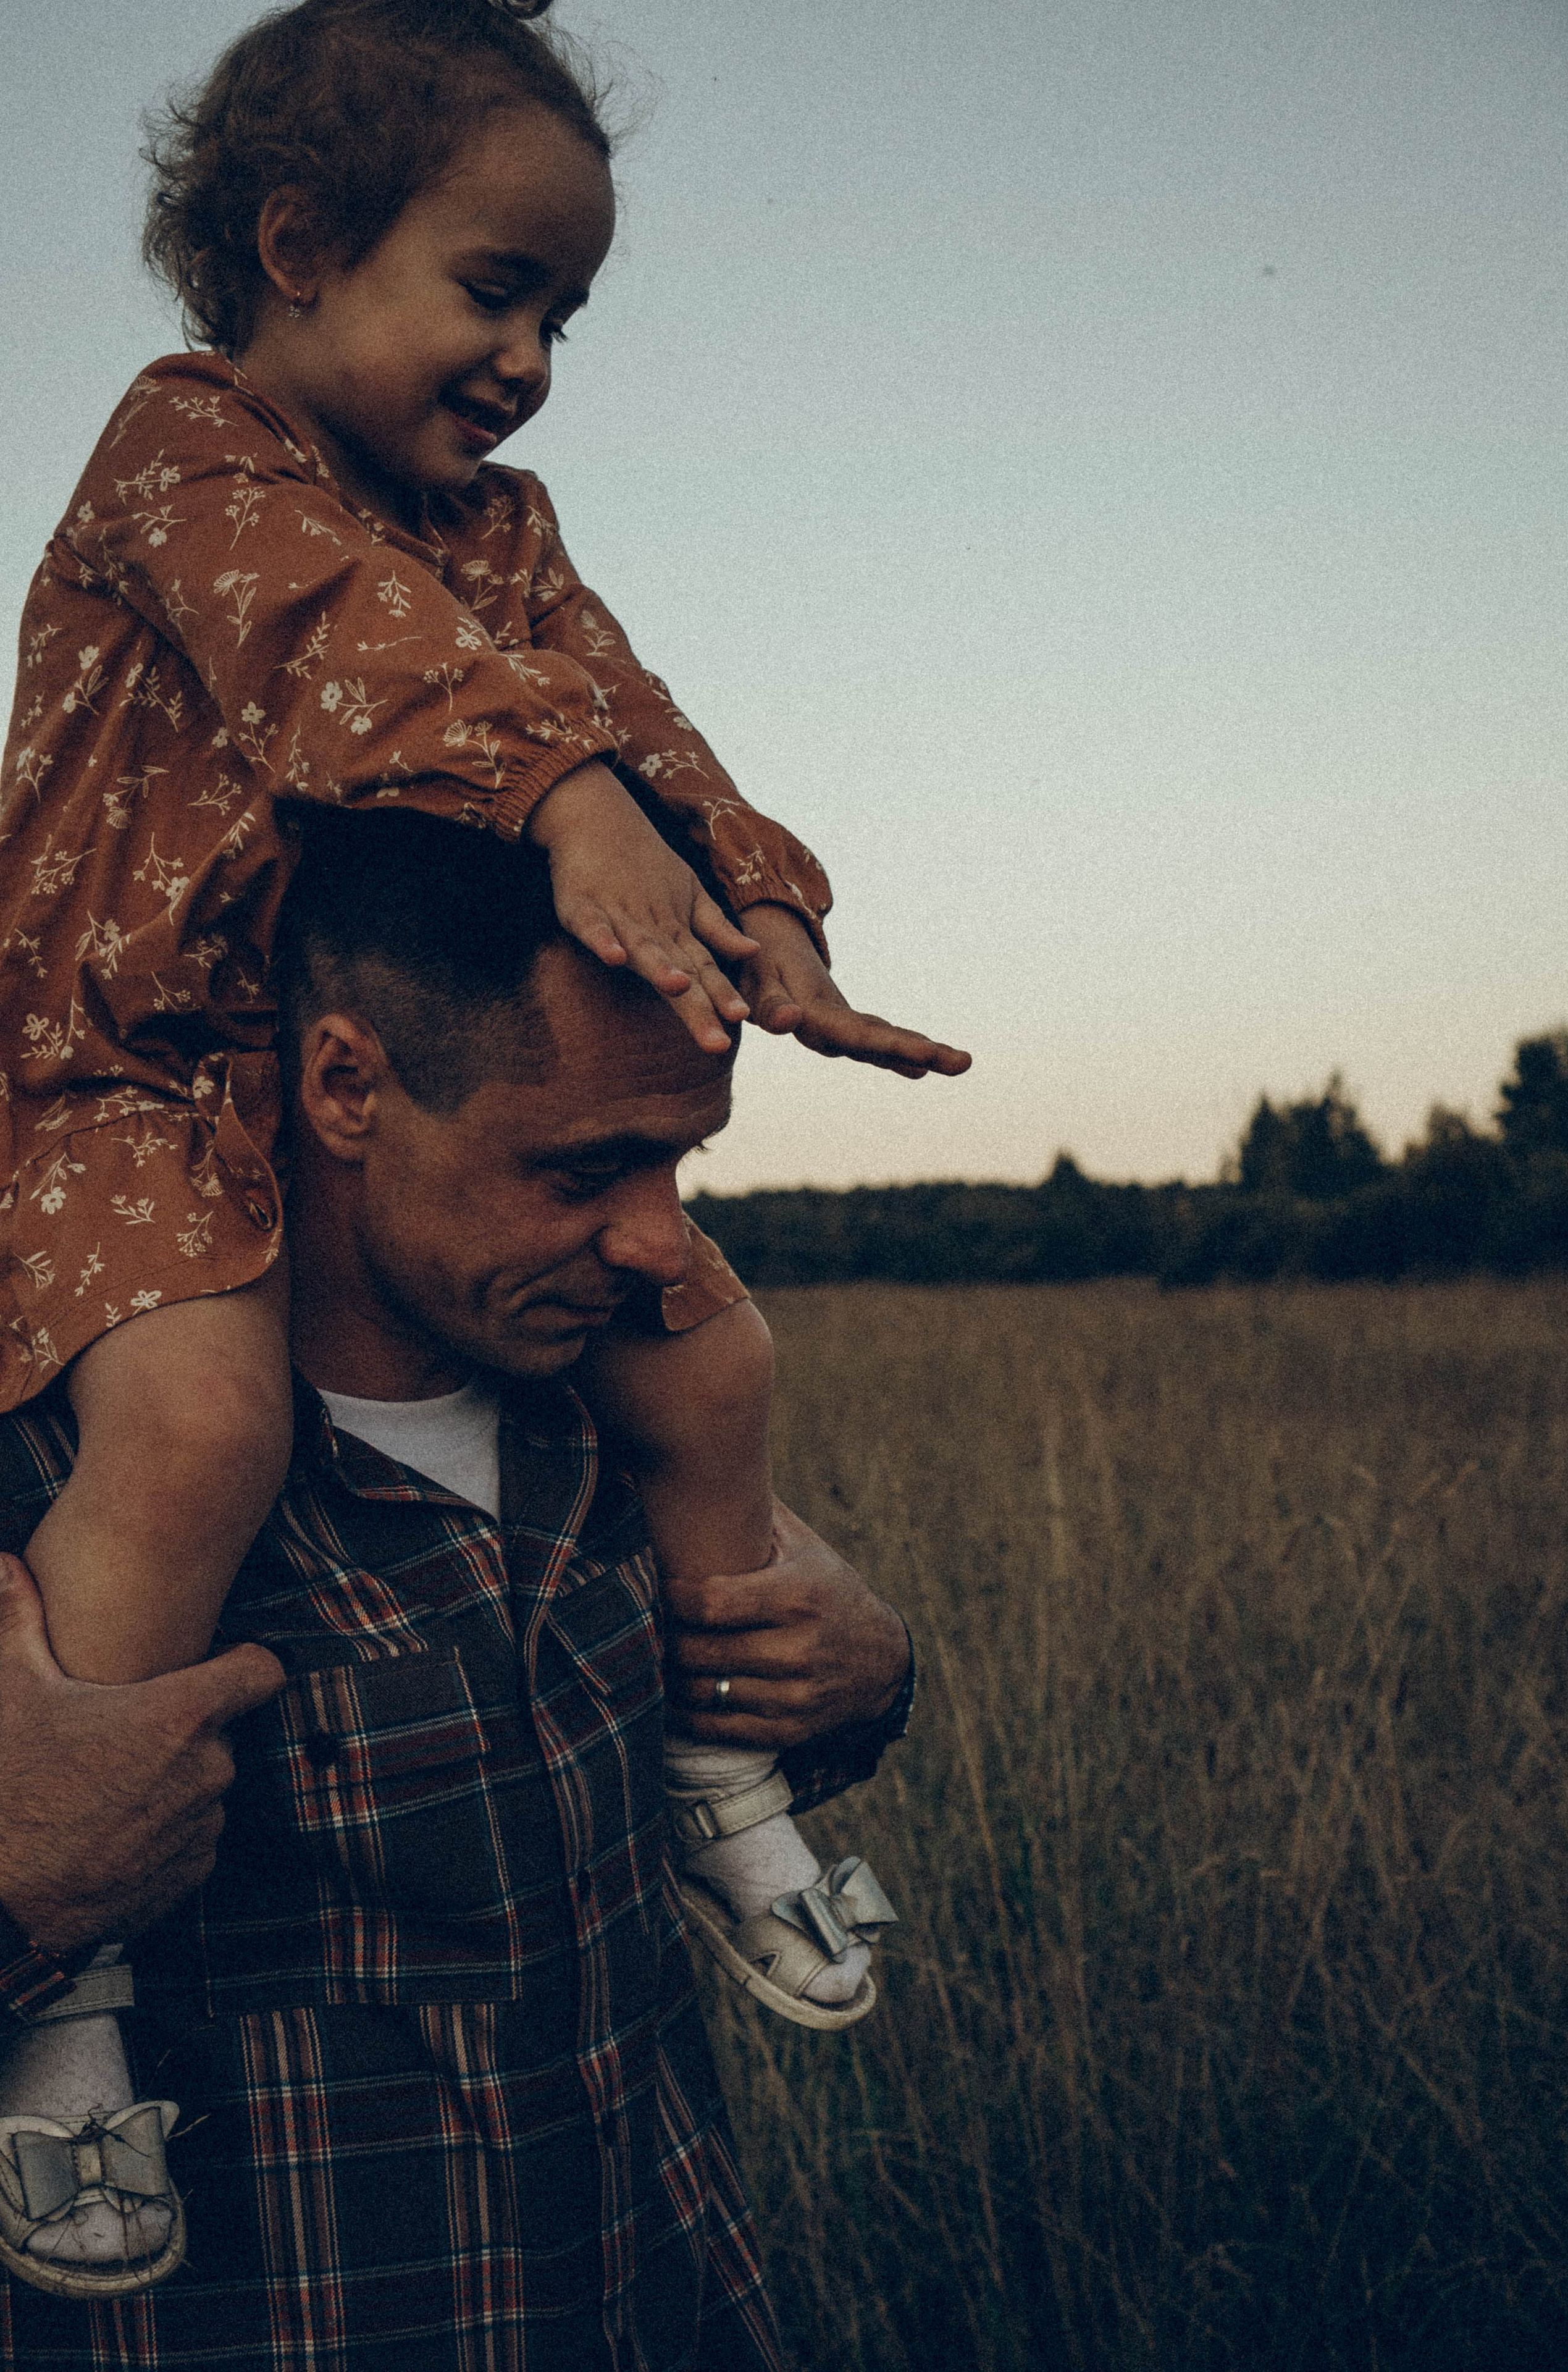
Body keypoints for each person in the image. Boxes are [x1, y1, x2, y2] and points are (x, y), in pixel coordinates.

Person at [0, 0, 967, 2285]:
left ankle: (722, 1781)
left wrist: (772, 914)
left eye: (568, 310)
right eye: (497, 287)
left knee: (713, 1360)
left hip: (630, 2285)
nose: (534, 357)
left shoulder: (497, 537)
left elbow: (639, 722)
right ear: (300, 243)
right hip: (120, 1068)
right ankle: (66, 2006)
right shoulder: (186, 455)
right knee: (201, 1424)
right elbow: (351, 653)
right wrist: (549, 802)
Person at [0, 809, 915, 2366]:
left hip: (661, 2310)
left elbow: (658, 1789)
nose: (656, 1238)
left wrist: (862, 1676)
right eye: (585, 1168)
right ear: (347, 1084)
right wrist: (19, 1888)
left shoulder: (604, 1419)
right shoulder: (55, 1485)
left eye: (681, 1160)